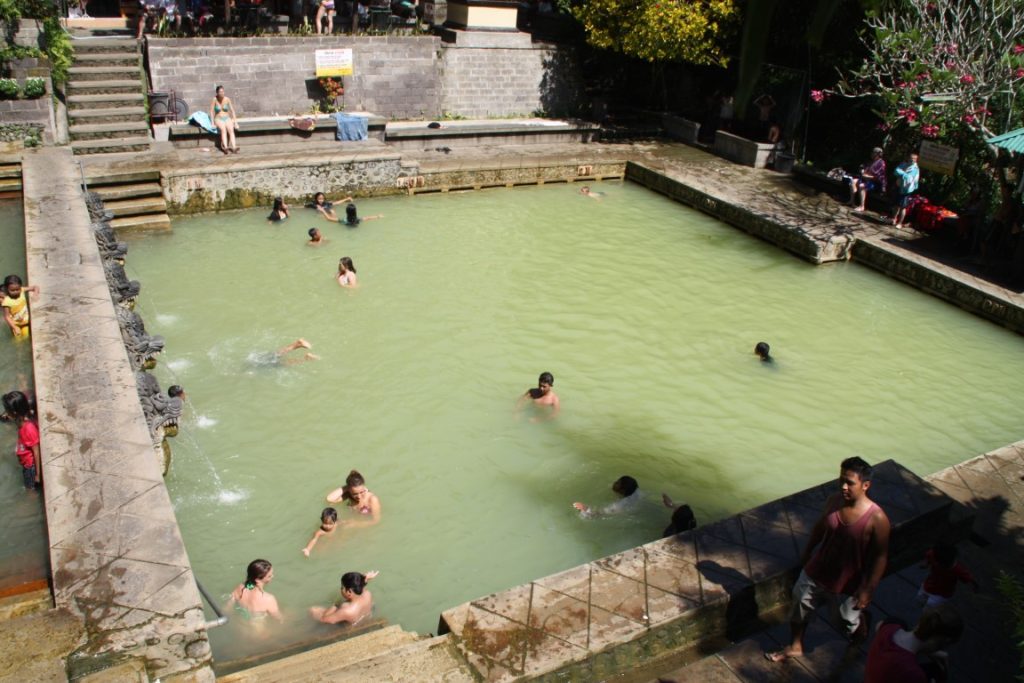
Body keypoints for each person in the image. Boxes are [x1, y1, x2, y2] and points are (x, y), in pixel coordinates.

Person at [766, 457, 890, 662]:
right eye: (841, 480)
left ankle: (860, 629)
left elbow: (880, 556)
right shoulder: (834, 501)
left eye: (849, 482)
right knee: (799, 606)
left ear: (865, 485)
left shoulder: (877, 518)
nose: (843, 486)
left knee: (844, 621)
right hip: (817, 569)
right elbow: (820, 527)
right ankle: (796, 645)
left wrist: (868, 589)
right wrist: (808, 552)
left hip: (847, 582)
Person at [864, 604, 963, 683]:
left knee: (900, 622)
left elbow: (878, 626)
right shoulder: (913, 674)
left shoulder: (890, 626)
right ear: (943, 641)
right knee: (938, 672)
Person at [917, 541, 978, 608]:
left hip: (941, 594)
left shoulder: (957, 570)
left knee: (929, 607)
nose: (953, 564)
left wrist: (975, 586)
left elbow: (969, 578)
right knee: (920, 600)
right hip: (927, 586)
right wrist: (926, 564)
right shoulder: (933, 554)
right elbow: (928, 557)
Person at [309, 570, 379, 625]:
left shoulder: (346, 610)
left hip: (349, 625)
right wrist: (365, 578)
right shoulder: (367, 594)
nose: (341, 589)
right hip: (363, 617)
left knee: (313, 610)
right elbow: (361, 586)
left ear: (349, 592)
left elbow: (324, 619)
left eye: (342, 587)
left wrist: (337, 604)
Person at [3, 391, 39, 491]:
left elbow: (36, 452)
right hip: (25, 463)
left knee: (29, 489)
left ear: (14, 413)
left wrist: (38, 475)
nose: (6, 412)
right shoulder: (21, 422)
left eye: (7, 410)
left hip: (29, 467)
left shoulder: (29, 429)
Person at [573, 476, 641, 518]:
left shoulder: (618, 506)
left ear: (622, 490)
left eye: (617, 483)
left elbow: (596, 515)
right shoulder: (637, 492)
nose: (614, 482)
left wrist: (584, 508)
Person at [849, 147, 887, 212]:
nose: (871, 154)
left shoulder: (881, 163)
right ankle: (852, 202)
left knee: (862, 186)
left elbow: (878, 177)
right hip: (865, 179)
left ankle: (862, 206)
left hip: (875, 183)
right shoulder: (871, 161)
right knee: (853, 181)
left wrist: (867, 176)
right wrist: (862, 171)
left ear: (877, 154)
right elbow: (864, 169)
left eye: (873, 153)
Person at [2, 275, 38, 339]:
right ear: (7, 289)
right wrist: (14, 327)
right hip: (15, 324)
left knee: (26, 336)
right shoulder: (6, 302)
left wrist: (35, 294)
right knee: (18, 340)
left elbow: (35, 287)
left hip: (25, 323)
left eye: (17, 289)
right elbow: (7, 317)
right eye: (12, 290)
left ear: (20, 287)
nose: (15, 292)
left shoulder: (22, 290)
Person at [893, 152, 921, 227]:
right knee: (896, 205)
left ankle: (900, 223)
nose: (912, 160)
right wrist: (904, 174)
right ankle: (893, 219)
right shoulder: (903, 164)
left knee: (903, 207)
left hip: (906, 190)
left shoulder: (915, 169)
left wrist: (902, 173)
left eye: (914, 159)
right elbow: (896, 171)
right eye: (911, 158)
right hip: (898, 187)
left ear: (916, 160)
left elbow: (909, 178)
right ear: (908, 158)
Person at [248, 338, 320, 367]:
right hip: (257, 360)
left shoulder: (248, 368)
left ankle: (306, 358)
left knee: (283, 364)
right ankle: (296, 344)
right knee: (276, 355)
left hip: (258, 364)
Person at [210, 85, 239, 155]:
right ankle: (225, 147)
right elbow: (211, 111)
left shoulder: (227, 99)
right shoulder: (214, 99)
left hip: (227, 117)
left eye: (223, 91)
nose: (222, 93)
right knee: (223, 129)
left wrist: (235, 122)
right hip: (218, 118)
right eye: (220, 92)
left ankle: (234, 147)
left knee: (231, 129)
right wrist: (212, 123)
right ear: (217, 93)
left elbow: (232, 111)